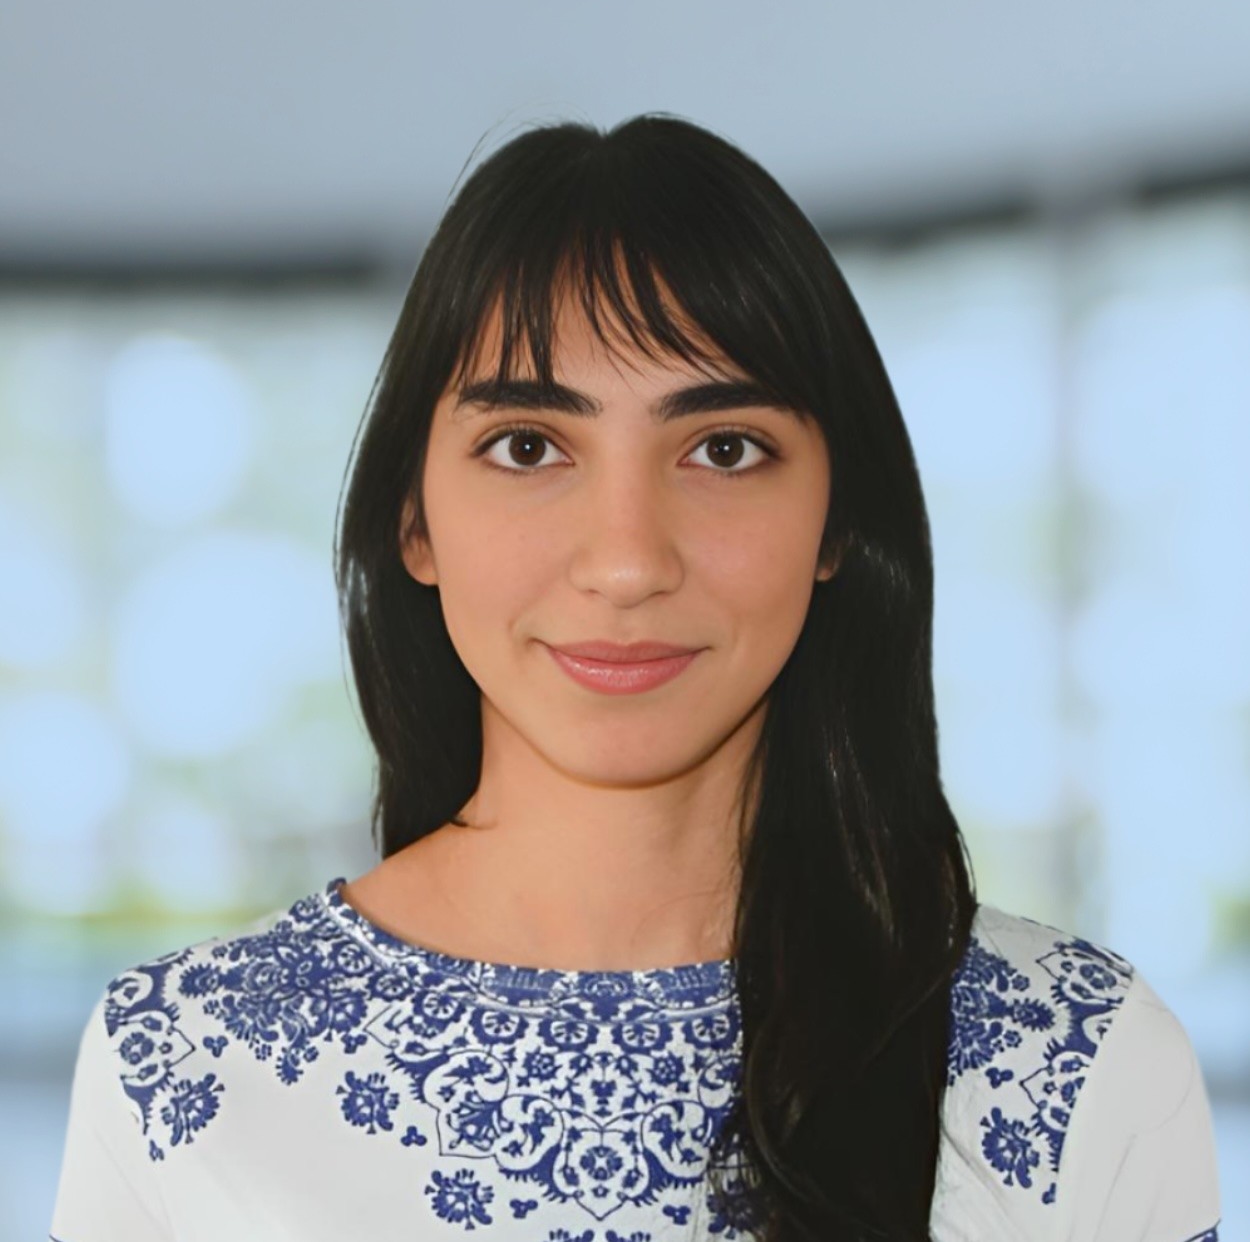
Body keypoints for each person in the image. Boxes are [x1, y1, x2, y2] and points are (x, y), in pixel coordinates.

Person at [49, 113, 1222, 1242]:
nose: (624, 560)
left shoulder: (1081, 1057)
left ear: (834, 525)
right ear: (412, 520)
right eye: (527, 446)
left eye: (721, 449)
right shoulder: (180, 1063)